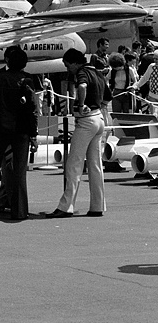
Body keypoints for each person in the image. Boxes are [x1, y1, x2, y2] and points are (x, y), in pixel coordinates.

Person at [45, 49, 107, 218]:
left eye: (67, 65)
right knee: (95, 165)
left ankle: (66, 206)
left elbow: (82, 86)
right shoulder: (97, 72)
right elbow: (108, 97)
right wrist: (97, 106)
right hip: (98, 118)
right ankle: (97, 205)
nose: (67, 69)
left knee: (74, 163)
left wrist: (81, 104)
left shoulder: (82, 72)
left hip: (86, 120)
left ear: (74, 63)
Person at [0, 46, 38, 221]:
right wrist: (33, 133)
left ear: (6, 60)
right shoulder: (27, 79)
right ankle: (19, 210)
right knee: (20, 171)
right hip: (21, 130)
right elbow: (32, 109)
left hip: (0, 129)